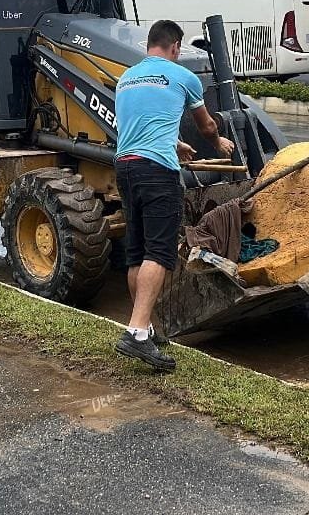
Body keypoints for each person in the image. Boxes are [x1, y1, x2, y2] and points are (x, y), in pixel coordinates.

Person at [113, 19, 235, 371]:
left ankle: (145, 328)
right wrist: (217, 142)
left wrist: (174, 142)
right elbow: (206, 124)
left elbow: (136, 124)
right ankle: (136, 333)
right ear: (176, 46)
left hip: (126, 167)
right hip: (157, 172)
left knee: (136, 252)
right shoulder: (183, 77)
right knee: (160, 253)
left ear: (149, 44)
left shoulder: (126, 78)